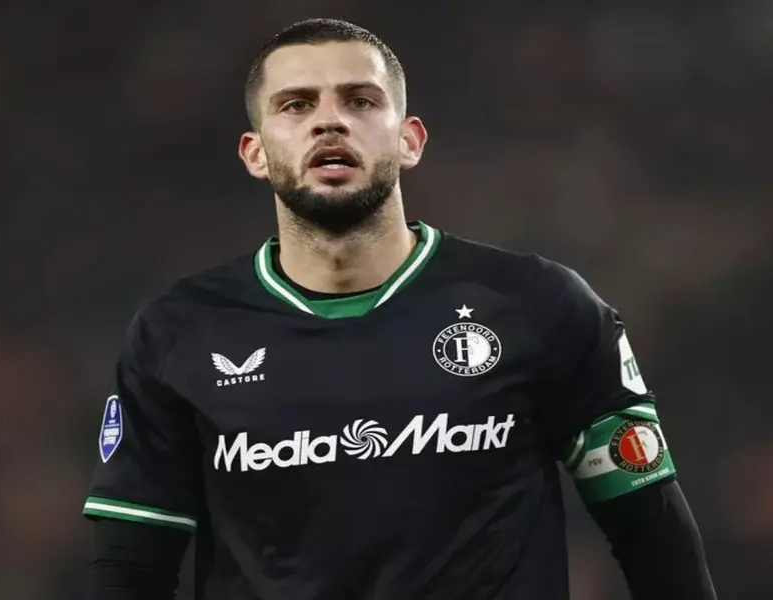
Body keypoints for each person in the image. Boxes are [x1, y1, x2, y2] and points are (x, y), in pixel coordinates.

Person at [84, 17, 717, 600]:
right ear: (255, 152)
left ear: (409, 139)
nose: (329, 122)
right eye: (296, 104)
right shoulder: (179, 333)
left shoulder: (540, 306)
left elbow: (653, 533)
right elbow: (131, 568)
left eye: (360, 101)